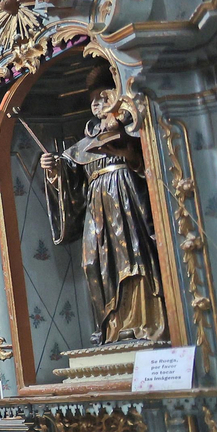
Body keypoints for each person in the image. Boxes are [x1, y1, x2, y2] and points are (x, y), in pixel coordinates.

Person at [40, 79, 166, 344]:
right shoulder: (86, 141)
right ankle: (112, 328)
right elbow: (70, 179)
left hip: (127, 198)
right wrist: (53, 169)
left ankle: (143, 321)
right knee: (91, 262)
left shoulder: (131, 128)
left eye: (102, 95)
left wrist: (129, 153)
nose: (96, 101)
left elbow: (150, 165)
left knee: (131, 257)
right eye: (92, 97)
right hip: (97, 207)